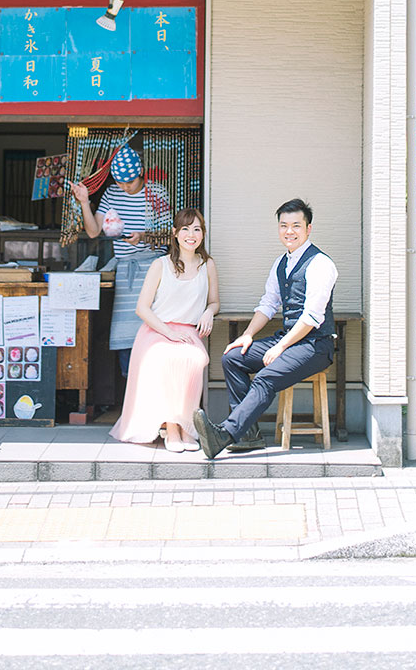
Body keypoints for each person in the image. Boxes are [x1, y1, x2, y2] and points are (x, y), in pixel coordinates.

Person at [193, 197, 337, 458]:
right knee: (233, 358)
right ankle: (248, 435)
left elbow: (312, 317)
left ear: (309, 228)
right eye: (283, 226)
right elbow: (268, 304)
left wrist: (280, 347)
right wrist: (247, 335)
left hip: (315, 345)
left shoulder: (321, 264)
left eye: (296, 225)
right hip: (290, 341)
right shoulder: (281, 263)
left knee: (265, 377)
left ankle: (225, 435)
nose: (289, 231)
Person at [110, 208, 219, 452]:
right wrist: (168, 333)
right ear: (175, 233)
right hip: (157, 331)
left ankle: (187, 426)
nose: (191, 234)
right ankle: (171, 428)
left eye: (197, 229)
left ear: (203, 234)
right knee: (166, 358)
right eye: (185, 229)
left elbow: (214, 301)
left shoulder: (207, 265)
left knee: (195, 358)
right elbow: (142, 308)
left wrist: (209, 312)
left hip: (188, 331)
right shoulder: (160, 265)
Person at [71, 145, 170, 376]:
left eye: (130, 182)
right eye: (120, 182)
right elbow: (94, 231)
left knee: (154, 328)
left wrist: (143, 237)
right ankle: (130, 388)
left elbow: (169, 233)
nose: (125, 187)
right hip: (126, 270)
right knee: (125, 332)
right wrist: (85, 202)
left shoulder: (157, 193)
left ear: (141, 172)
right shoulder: (112, 194)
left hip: (154, 268)